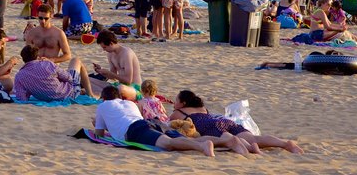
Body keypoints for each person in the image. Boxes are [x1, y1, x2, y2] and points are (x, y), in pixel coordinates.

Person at [93, 86, 215, 156]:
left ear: (104, 98)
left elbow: (99, 135)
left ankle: (202, 146)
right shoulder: (129, 103)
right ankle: (222, 141)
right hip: (150, 122)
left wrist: (98, 124)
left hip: (135, 130)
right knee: (176, 138)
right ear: (119, 97)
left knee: (167, 144)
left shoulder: (102, 106)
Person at [171, 90, 303, 153]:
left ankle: (251, 149)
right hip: (224, 121)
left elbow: (170, 125)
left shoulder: (179, 113)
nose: (174, 103)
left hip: (208, 125)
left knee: (228, 139)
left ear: (183, 103)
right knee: (254, 137)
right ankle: (285, 144)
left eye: (176, 100)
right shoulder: (202, 108)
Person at [13, 44, 93, 101]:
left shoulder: (19, 76)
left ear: (23, 59)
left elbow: (22, 98)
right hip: (69, 94)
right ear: (37, 56)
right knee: (76, 60)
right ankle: (90, 94)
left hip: (46, 97)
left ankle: (83, 91)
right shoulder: (48, 64)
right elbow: (69, 78)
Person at [91, 31, 142, 99]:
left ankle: (102, 93)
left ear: (111, 43)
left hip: (133, 88)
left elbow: (128, 80)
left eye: (105, 47)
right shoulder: (110, 54)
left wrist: (109, 73)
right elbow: (113, 77)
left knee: (121, 88)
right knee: (88, 79)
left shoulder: (126, 53)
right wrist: (100, 71)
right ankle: (102, 93)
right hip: (119, 85)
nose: (104, 50)